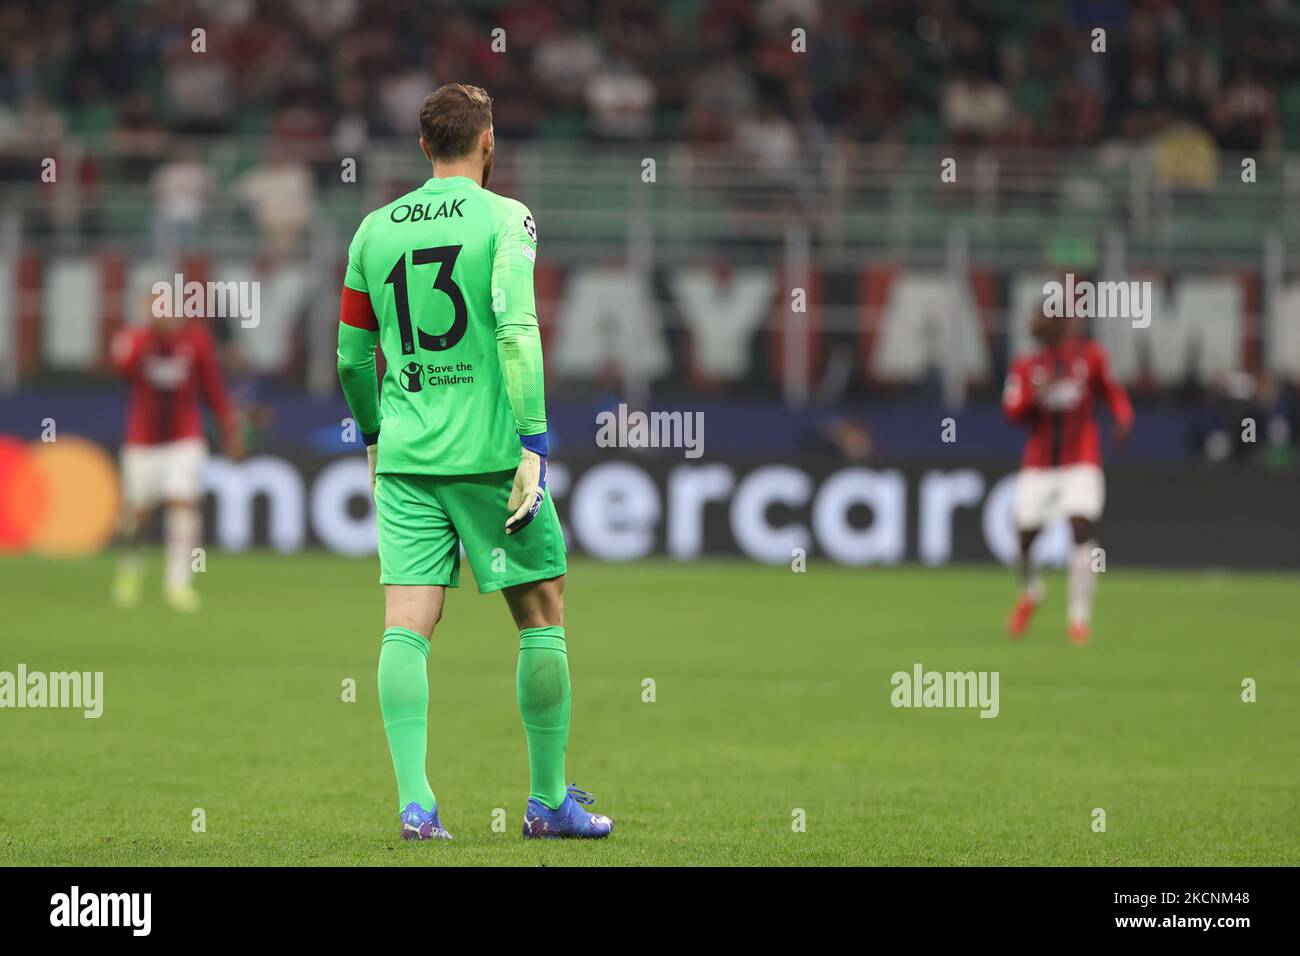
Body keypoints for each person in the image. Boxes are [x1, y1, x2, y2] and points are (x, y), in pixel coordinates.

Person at [336, 83, 613, 841]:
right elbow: (518, 330)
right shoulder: (507, 218)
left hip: (407, 454)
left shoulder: (374, 230)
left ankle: (417, 806)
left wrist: (371, 437)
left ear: (424, 148)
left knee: (405, 625)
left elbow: (353, 358)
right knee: (541, 611)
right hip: (492, 456)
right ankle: (547, 801)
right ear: (487, 144)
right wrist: (534, 444)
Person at [1002, 313, 1133, 645]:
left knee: (1081, 527)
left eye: (1044, 324)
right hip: (1039, 466)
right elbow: (1011, 413)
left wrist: (1123, 418)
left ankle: (1079, 617)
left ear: (1061, 326)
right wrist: (1035, 395)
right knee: (1023, 542)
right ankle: (1031, 592)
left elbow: (1113, 391)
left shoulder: (1091, 357)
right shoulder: (1026, 366)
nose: (1037, 330)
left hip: (1081, 459)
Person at [111, 302, 242, 611]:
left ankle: (178, 583)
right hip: (142, 441)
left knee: (183, 503)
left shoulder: (196, 340)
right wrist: (146, 337)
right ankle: (130, 568)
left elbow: (212, 387)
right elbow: (120, 368)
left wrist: (229, 430)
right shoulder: (137, 339)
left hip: (185, 438)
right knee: (137, 515)